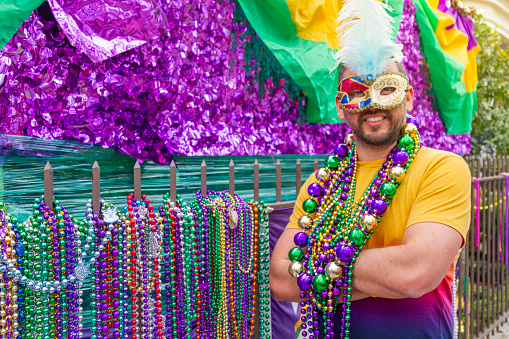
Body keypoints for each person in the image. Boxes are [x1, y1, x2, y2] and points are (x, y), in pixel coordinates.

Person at [268, 1, 471, 338]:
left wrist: (316, 270)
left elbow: (414, 273)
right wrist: (380, 274)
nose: (372, 104)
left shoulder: (442, 169)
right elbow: (280, 279)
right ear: (339, 104)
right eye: (356, 92)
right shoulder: (321, 184)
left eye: (386, 89)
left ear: (408, 98)